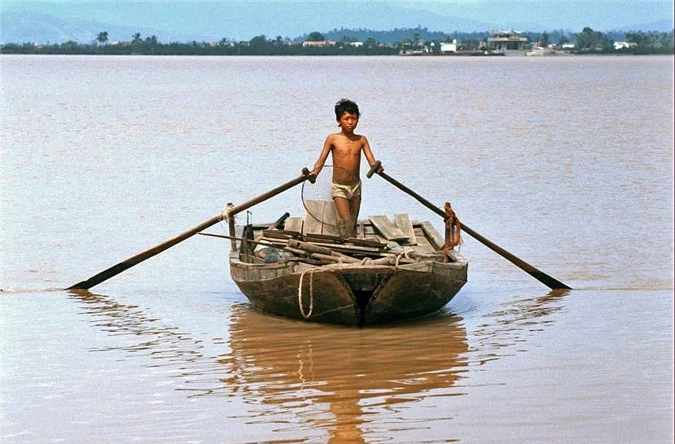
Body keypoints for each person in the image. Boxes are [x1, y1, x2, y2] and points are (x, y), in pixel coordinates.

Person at [310, 99, 382, 238]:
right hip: (339, 187)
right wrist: (314, 174)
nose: (350, 122)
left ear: (357, 120)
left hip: (355, 187)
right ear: (339, 121)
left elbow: (372, 161)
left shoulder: (361, 140)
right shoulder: (333, 139)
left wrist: (378, 168)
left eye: (353, 118)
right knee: (347, 221)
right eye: (346, 118)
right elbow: (321, 160)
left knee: (353, 223)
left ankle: (352, 248)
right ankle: (348, 245)